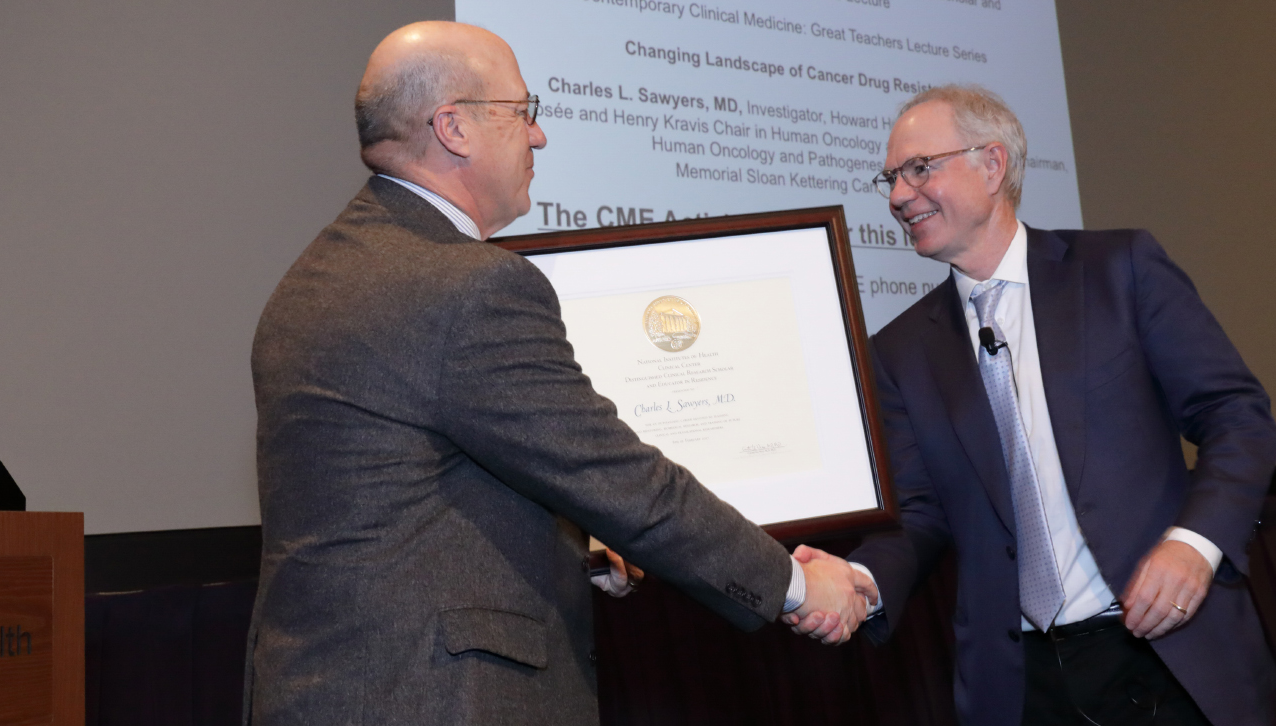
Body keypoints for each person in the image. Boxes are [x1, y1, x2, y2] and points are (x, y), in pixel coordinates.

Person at [246, 21, 871, 725]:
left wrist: (571, 542)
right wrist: (794, 585)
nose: (538, 137)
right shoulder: (465, 285)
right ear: (453, 127)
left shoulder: (317, 274)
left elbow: (403, 492)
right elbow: (618, 477)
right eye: (522, 113)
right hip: (436, 698)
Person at [798, 85, 1276, 725]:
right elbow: (921, 514)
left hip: (1167, 654)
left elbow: (1236, 414)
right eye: (891, 177)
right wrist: (861, 582)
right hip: (1022, 686)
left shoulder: (1119, 270)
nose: (896, 196)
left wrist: (1195, 545)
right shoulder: (900, 351)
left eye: (919, 169)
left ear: (992, 164)